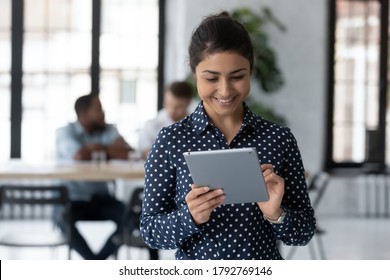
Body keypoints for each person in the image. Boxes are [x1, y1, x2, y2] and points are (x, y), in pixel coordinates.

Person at [140, 11, 316, 260]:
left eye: (237, 77)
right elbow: (150, 232)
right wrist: (189, 217)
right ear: (194, 72)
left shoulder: (279, 139)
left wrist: (276, 213)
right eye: (211, 78)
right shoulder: (171, 140)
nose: (224, 90)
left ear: (251, 70)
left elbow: (304, 233)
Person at [55, 94, 131, 260]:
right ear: (83, 114)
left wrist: (99, 147)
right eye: (98, 110)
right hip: (72, 200)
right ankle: (94, 262)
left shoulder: (108, 129)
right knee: (60, 218)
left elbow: (126, 152)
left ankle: (96, 262)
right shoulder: (64, 132)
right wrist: (109, 150)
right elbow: (80, 155)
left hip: (101, 199)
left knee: (130, 217)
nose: (103, 113)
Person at [138, 81, 193, 159]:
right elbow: (147, 153)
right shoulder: (152, 125)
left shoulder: (195, 125)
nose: (172, 110)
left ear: (188, 103)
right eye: (169, 104)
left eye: (178, 107)